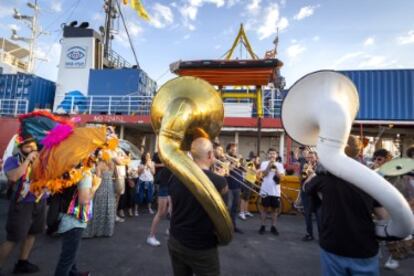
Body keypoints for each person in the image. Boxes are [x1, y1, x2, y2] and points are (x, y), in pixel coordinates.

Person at [305, 135, 388, 276]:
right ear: (359, 151)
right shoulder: (371, 179)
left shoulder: (324, 178)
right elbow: (384, 216)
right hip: (364, 247)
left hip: (333, 245)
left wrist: (315, 172)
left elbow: (306, 188)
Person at [168, 137, 228, 276]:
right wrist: (219, 178)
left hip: (176, 239)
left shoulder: (175, 177)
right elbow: (225, 215)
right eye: (212, 152)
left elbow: (173, 208)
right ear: (209, 155)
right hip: (203, 247)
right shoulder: (219, 181)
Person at [0, 136, 46, 274]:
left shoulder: (41, 160)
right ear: (20, 148)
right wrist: (27, 160)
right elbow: (14, 177)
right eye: (28, 147)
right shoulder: (12, 160)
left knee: (32, 233)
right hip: (22, 203)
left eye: (34, 147)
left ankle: (22, 262)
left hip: (39, 200)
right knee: (13, 238)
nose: (32, 150)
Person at [54, 168, 102, 276]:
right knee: (67, 259)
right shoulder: (84, 172)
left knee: (70, 253)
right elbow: (84, 199)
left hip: (66, 216)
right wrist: (95, 187)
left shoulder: (71, 168)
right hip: (74, 220)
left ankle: (73, 272)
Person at [83, 151, 116, 238]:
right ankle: (106, 231)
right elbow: (112, 174)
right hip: (109, 187)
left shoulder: (99, 165)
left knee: (98, 207)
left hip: (101, 187)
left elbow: (97, 179)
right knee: (107, 207)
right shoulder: (112, 163)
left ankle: (96, 230)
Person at [258, 148, 285, 235]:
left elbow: (281, 177)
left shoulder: (280, 165)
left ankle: (273, 226)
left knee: (274, 210)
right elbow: (264, 175)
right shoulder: (264, 163)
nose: (272, 155)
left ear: (276, 155)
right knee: (264, 209)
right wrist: (269, 166)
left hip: (275, 191)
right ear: (268, 155)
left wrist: (276, 168)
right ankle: (263, 226)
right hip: (265, 190)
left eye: (274, 153)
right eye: (270, 153)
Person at [147, 167, 173, 246]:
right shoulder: (169, 166)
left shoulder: (173, 165)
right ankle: (151, 236)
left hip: (169, 188)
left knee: (171, 211)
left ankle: (170, 230)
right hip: (165, 189)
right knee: (161, 213)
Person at [300, 151, 320, 241]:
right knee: (307, 215)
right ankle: (309, 234)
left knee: (319, 216)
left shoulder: (320, 167)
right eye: (308, 157)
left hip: (317, 195)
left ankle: (322, 236)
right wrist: (306, 173)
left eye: (312, 157)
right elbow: (301, 180)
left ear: (316, 158)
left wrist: (313, 173)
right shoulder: (304, 166)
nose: (310, 159)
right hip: (307, 194)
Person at [225, 143, 244, 233]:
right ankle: (226, 227)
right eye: (232, 149)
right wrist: (234, 162)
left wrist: (240, 162)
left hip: (237, 186)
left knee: (235, 208)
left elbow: (244, 169)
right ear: (228, 150)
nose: (234, 151)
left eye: (235, 149)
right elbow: (228, 171)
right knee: (228, 207)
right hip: (229, 187)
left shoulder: (237, 159)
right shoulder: (224, 158)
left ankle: (233, 226)